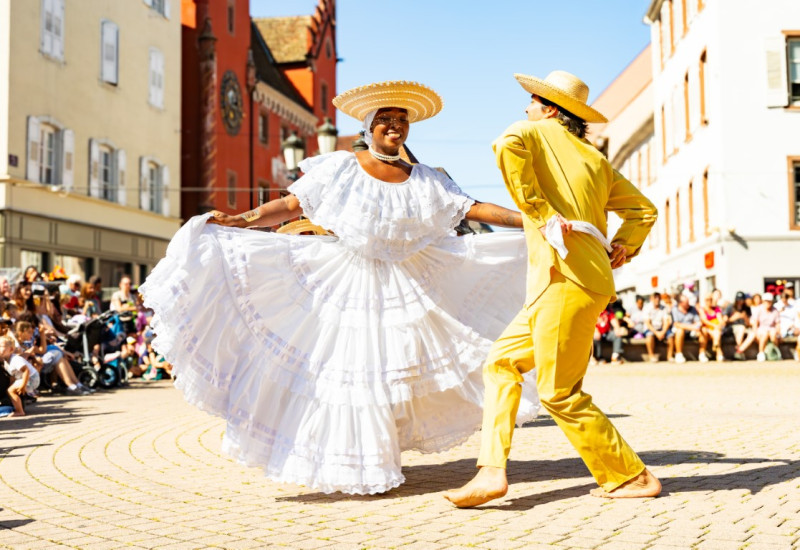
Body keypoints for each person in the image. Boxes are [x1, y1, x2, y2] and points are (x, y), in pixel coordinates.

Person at [140, 80, 540, 495]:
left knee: (387, 373)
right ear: (368, 126)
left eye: (401, 121)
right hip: (347, 278)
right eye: (386, 119)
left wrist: (530, 221)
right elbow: (293, 205)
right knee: (352, 371)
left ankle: (379, 458)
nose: (395, 127)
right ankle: (353, 464)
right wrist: (244, 219)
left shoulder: (426, 180)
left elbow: (472, 208)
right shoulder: (341, 167)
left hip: (408, 282)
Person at [444, 70, 660, 508]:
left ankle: (630, 475)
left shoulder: (530, 130)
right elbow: (644, 210)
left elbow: (507, 145)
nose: (525, 107)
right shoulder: (596, 159)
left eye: (531, 100)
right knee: (501, 363)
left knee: (559, 391)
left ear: (549, 107)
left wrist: (540, 210)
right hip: (572, 280)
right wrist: (624, 246)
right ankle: (490, 471)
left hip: (565, 278)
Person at [737, 292, 781, 361]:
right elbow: (755, 323)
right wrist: (756, 332)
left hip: (771, 329)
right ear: (763, 301)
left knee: (773, 334)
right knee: (764, 334)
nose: (768, 303)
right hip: (761, 329)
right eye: (766, 301)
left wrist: (778, 332)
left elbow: (777, 323)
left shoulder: (775, 310)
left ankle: (773, 352)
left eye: (769, 301)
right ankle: (761, 353)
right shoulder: (759, 309)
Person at [671, 294, 707, 363]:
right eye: (686, 302)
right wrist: (691, 327)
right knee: (679, 331)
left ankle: (702, 354)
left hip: (692, 331)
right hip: (680, 330)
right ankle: (679, 354)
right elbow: (676, 324)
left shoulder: (692, 308)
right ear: (680, 303)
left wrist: (696, 326)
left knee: (704, 330)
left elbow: (698, 322)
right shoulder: (674, 309)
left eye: (688, 301)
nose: (688, 303)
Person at [644, 292, 673, 362]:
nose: (657, 299)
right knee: (649, 336)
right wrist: (656, 333)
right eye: (655, 297)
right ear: (651, 299)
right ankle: (651, 356)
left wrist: (663, 332)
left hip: (661, 328)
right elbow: (648, 323)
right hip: (651, 329)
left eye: (658, 298)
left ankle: (670, 356)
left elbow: (666, 321)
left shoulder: (664, 308)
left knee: (671, 336)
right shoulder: (647, 307)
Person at [697, 293, 725, 362]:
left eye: (710, 299)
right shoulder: (702, 309)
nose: (709, 301)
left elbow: (720, 320)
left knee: (717, 331)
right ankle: (716, 351)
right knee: (705, 331)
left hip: (715, 330)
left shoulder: (716, 309)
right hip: (706, 329)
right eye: (707, 299)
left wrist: (718, 325)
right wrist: (714, 325)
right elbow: (704, 321)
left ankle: (716, 345)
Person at [724, 291, 751, 360]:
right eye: (738, 300)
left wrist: (745, 317)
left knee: (753, 332)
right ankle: (739, 350)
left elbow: (749, 324)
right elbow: (725, 321)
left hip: (745, 327)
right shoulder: (730, 307)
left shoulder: (747, 308)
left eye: (741, 300)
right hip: (732, 327)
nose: (740, 301)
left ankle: (740, 350)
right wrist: (734, 318)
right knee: (741, 328)